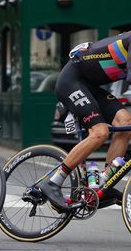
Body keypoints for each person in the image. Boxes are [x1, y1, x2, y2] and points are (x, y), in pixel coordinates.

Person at [39, 31, 131, 212]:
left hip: (90, 85)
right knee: (100, 132)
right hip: (72, 81)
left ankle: (104, 184)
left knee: (125, 123)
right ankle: (53, 182)